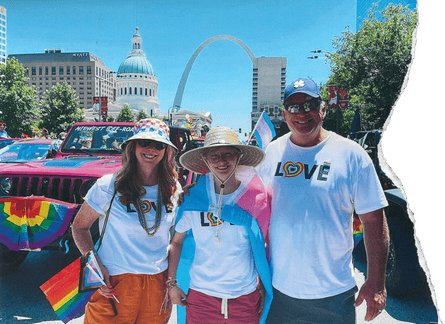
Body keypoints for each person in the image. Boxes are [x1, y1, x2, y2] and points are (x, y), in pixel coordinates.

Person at [258, 78, 389, 324]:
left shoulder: (352, 155)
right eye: (294, 108)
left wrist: (376, 283)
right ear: (285, 115)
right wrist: (200, 187)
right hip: (280, 293)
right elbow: (244, 202)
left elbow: (373, 221)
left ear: (323, 109)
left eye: (309, 104)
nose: (302, 113)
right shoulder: (269, 155)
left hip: (334, 296)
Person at [72, 118, 180, 324]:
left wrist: (172, 280)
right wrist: (94, 265)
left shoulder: (174, 189)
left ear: (167, 151)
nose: (151, 149)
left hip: (157, 282)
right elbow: (79, 227)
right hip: (114, 281)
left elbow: (176, 238)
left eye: (159, 145)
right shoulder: (108, 185)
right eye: (144, 142)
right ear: (132, 146)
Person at [168, 127, 273, 324]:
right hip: (201, 298)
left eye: (228, 154)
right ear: (205, 160)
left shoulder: (257, 200)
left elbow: (262, 245)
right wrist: (171, 283)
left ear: (239, 157)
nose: (221, 161)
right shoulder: (192, 199)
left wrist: (261, 285)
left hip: (244, 298)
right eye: (214, 155)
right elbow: (176, 242)